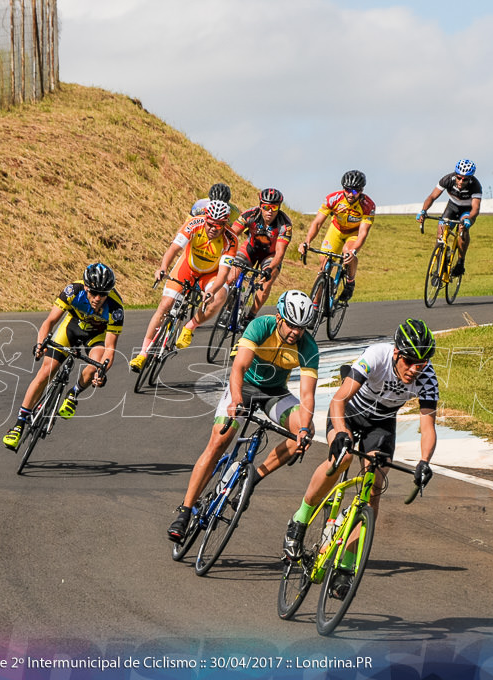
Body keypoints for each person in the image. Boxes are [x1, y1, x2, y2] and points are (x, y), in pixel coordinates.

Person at [281, 319, 439, 592]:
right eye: (411, 360)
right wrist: (341, 432)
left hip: (381, 424)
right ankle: (300, 519)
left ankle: (347, 565)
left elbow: (428, 426)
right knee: (341, 459)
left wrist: (425, 461)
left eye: (422, 362)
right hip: (349, 414)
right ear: (397, 353)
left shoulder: (427, 378)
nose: (415, 369)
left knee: (374, 483)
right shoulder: (376, 356)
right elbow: (338, 400)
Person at [167, 290, 320, 542]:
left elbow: (307, 395)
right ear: (280, 317)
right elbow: (238, 367)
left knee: (306, 430)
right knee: (219, 440)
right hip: (244, 386)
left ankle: (252, 480)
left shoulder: (308, 346)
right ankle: (184, 511)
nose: (295, 332)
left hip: (275, 393)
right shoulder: (261, 326)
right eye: (291, 324)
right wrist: (236, 399)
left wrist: (303, 429)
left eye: (301, 327)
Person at [2, 263, 123, 449]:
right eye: (93, 293)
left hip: (96, 335)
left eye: (103, 294)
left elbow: (110, 347)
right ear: (85, 287)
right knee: (45, 373)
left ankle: (73, 393)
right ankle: (18, 425)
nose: (98, 298)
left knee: (94, 366)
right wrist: (41, 344)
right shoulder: (73, 290)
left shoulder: (115, 307)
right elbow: (49, 322)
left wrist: (102, 372)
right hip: (72, 327)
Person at [128, 200, 238, 371]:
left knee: (219, 297)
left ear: (224, 224)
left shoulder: (231, 239)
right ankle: (143, 353)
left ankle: (190, 326)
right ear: (206, 219)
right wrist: (163, 268)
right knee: (165, 305)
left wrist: (212, 291)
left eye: (217, 226)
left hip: (211, 274)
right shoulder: (194, 223)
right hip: (188, 266)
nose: (212, 229)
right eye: (210, 224)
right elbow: (174, 249)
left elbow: (223, 274)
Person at [298, 170, 375, 303]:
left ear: (361, 190)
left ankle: (350, 282)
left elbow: (363, 233)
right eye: (347, 190)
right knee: (323, 266)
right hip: (336, 229)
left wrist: (354, 251)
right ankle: (315, 306)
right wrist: (307, 241)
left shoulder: (368, 205)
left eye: (355, 191)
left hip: (354, 233)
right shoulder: (333, 199)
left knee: (347, 253)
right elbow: (317, 223)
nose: (351, 194)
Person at [230, 188, 293, 320]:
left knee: (267, 281)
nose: (270, 211)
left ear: (279, 207)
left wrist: (269, 269)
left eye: (274, 207)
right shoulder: (250, 214)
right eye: (266, 207)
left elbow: (280, 253)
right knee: (230, 277)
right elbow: (232, 234)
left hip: (270, 255)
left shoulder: (284, 224)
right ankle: (231, 306)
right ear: (260, 206)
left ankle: (250, 316)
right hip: (250, 249)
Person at [416, 159, 482, 277]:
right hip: (452, 207)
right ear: (455, 175)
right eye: (459, 177)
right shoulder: (447, 179)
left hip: (467, 211)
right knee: (440, 233)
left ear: (470, 178)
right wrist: (423, 211)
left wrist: (469, 219)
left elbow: (475, 209)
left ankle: (460, 262)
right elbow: (432, 197)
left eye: (465, 179)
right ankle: (440, 268)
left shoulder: (476, 186)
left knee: (462, 229)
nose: (461, 181)